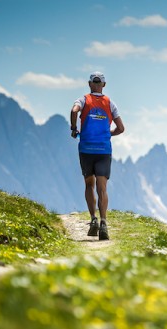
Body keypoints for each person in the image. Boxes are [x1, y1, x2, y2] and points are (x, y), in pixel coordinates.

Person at [70, 71, 125, 240]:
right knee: (102, 188)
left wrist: (74, 128)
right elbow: (121, 128)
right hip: (103, 150)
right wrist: (108, 135)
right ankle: (103, 223)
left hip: (86, 149)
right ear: (104, 85)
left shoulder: (83, 99)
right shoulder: (111, 104)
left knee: (89, 185)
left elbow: (74, 110)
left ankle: (92, 219)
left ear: (89, 84)